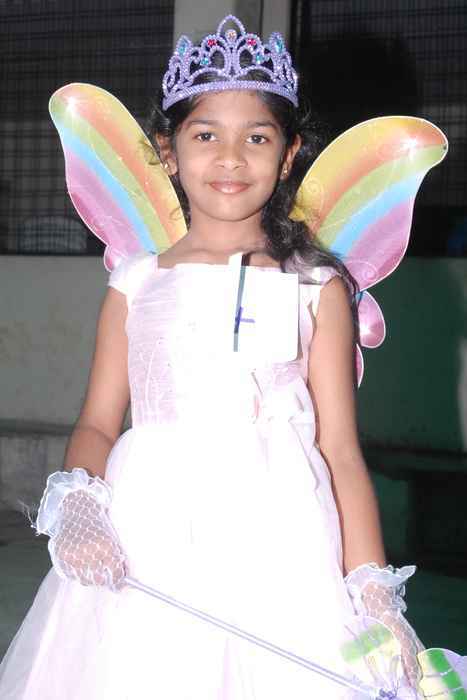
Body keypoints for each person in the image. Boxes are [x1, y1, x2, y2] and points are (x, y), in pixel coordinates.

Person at [0, 15, 423, 700]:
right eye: (205, 136)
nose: (230, 158)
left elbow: (341, 451)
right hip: (153, 530)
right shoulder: (136, 283)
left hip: (281, 538)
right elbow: (99, 422)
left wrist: (373, 594)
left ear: (288, 155)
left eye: (256, 137)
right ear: (167, 152)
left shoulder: (316, 286)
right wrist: (79, 500)